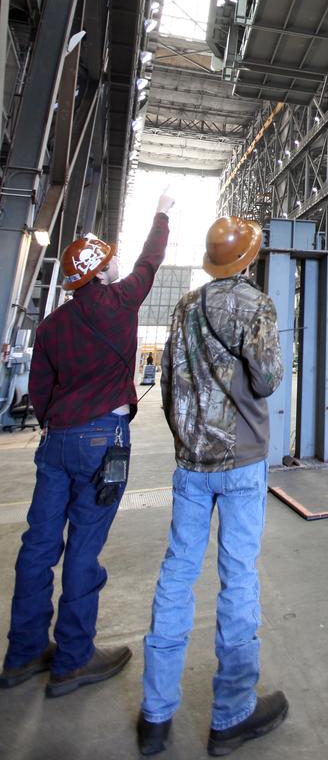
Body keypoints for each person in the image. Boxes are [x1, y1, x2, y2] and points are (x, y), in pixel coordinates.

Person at [0, 192, 173, 696]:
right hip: (104, 441)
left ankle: (24, 653)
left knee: (38, 545)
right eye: (108, 256)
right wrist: (161, 212)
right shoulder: (121, 303)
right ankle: (73, 657)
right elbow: (150, 259)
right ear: (99, 270)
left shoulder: (53, 326)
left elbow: (39, 390)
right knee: (84, 546)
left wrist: (58, 419)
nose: (118, 260)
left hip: (56, 442)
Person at [138, 216, 286, 758]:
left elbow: (170, 382)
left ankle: (155, 715)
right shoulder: (256, 305)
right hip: (242, 461)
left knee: (177, 574)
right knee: (238, 578)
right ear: (248, 259)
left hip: (191, 463)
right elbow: (267, 379)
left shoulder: (185, 307)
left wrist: (188, 437)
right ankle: (231, 714)